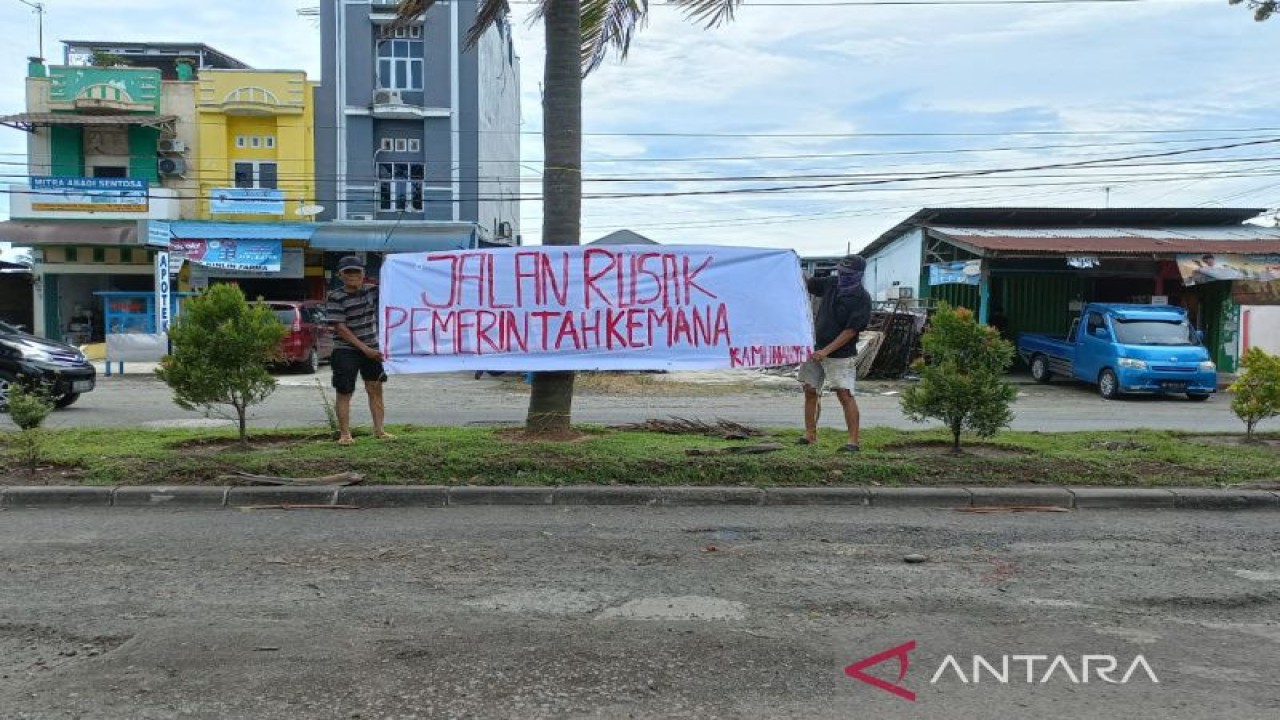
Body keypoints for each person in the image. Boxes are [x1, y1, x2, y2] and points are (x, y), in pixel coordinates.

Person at [796, 254, 872, 452]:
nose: (842, 276)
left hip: (841, 354)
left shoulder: (862, 298)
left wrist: (826, 351)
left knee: (844, 394)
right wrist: (792, 264)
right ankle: (810, 435)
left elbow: (851, 330)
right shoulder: (831, 283)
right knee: (810, 390)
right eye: (840, 271)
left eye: (847, 273)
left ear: (858, 275)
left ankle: (853, 442)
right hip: (815, 348)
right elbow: (808, 284)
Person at [327, 256, 393, 445]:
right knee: (344, 391)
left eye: (356, 271)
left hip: (372, 347)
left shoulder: (372, 291)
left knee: (375, 388)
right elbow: (340, 328)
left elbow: (395, 286)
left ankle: (380, 431)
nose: (352, 275)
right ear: (340, 275)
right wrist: (365, 349)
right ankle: (345, 434)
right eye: (348, 272)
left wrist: (390, 262)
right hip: (346, 350)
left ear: (363, 274)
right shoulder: (335, 296)